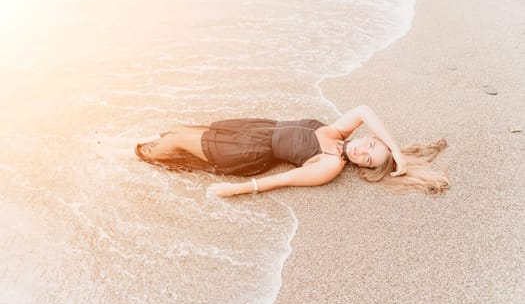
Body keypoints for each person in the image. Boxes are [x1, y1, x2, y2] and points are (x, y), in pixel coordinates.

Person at [135, 105, 449, 197]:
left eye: (367, 159)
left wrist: (233, 191)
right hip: (254, 129)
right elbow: (366, 110)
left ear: (363, 169)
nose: (362, 151)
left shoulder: (329, 164)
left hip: (248, 150)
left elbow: (283, 180)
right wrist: (396, 149)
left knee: (175, 138)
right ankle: (139, 153)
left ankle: (128, 157)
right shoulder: (338, 131)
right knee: (174, 134)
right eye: (371, 144)